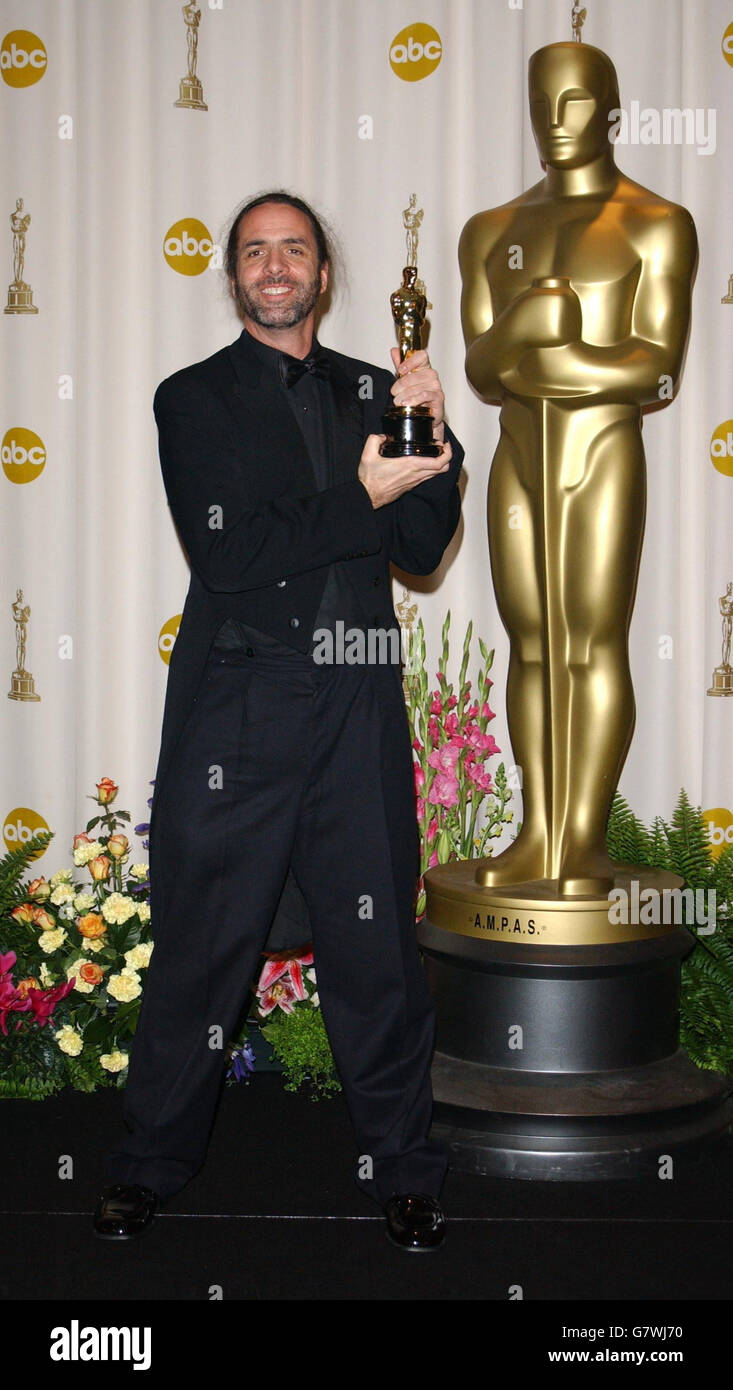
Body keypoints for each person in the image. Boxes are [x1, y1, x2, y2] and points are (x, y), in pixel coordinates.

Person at [93, 191, 464, 1253]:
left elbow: (425, 543)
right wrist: (361, 488)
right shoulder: (192, 400)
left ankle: (403, 1171)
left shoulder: (369, 388)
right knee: (202, 949)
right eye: (254, 250)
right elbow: (230, 553)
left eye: (292, 248)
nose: (273, 266)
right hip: (239, 707)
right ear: (233, 275)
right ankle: (147, 1164)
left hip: (354, 698)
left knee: (377, 949)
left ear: (321, 273)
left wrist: (433, 429)